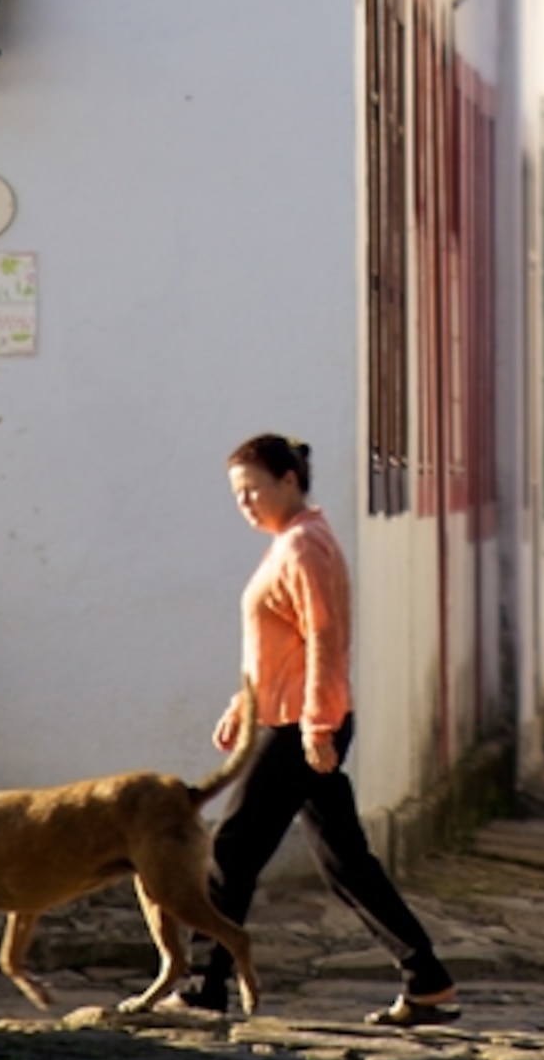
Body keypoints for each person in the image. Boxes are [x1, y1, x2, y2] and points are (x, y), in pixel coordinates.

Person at [183, 432, 459, 1025]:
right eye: (237, 495)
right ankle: (426, 978)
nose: (246, 503)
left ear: (289, 480)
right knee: (345, 861)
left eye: (254, 489)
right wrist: (242, 702)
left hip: (297, 727)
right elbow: (277, 646)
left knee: (232, 850)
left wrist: (317, 726)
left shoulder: (306, 546)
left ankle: (204, 985)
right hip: (285, 717)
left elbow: (325, 642)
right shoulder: (290, 542)